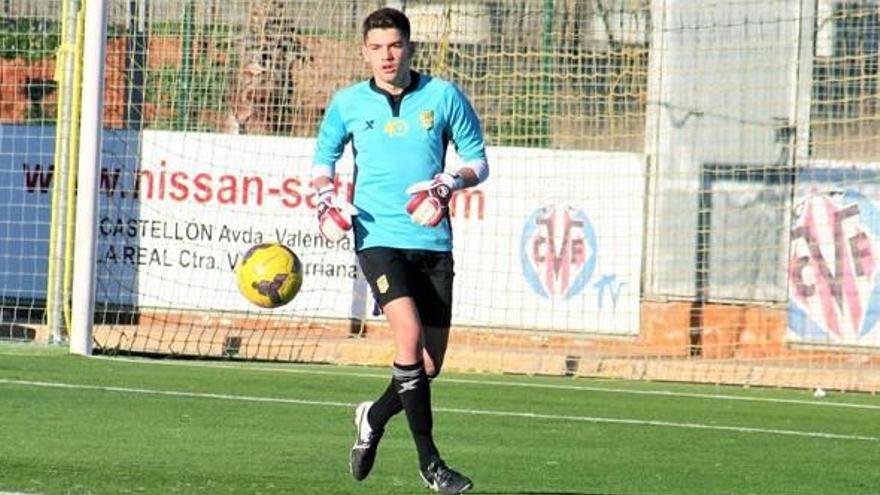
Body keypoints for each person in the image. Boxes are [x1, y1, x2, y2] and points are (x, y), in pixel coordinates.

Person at [310, 7, 488, 495]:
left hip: (433, 240)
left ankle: (373, 416)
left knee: (428, 366)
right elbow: (322, 160)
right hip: (377, 237)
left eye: (395, 46)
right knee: (406, 340)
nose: (387, 56)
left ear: (409, 47)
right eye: (377, 48)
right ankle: (431, 463)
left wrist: (449, 182)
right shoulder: (348, 103)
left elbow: (478, 161)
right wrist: (326, 199)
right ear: (365, 51)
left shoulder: (442, 95)